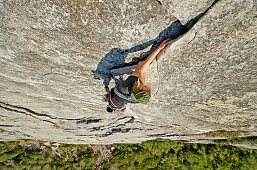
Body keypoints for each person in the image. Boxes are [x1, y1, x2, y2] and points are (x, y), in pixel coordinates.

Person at [104, 39, 172, 112]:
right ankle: (118, 108)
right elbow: (141, 78)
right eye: (146, 87)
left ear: (138, 90)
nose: (145, 86)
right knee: (140, 71)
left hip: (120, 94)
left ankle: (118, 108)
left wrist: (159, 48)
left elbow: (144, 65)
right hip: (120, 99)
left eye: (144, 88)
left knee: (141, 68)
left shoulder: (125, 87)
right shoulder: (136, 99)